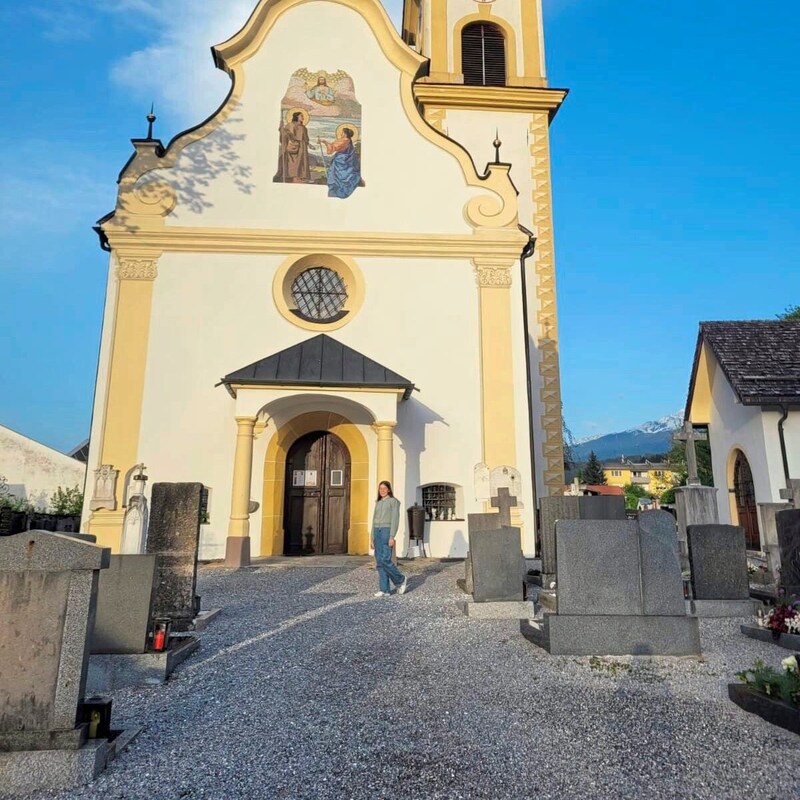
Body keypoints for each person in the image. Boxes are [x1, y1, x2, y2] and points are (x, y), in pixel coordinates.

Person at [371, 481, 408, 598]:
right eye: (380, 488)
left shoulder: (393, 502)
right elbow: (373, 520)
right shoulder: (378, 502)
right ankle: (384, 589)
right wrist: (372, 537)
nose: (382, 490)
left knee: (385, 559)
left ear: (389, 490)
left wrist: (392, 536)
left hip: (386, 532)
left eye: (384, 488)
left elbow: (395, 520)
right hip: (377, 531)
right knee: (379, 562)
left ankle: (400, 580)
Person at [318, 128, 361, 199]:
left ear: (345, 134)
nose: (341, 134)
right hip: (344, 159)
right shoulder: (347, 140)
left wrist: (324, 142)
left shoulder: (345, 140)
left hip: (342, 160)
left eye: (342, 132)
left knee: (337, 175)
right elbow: (334, 145)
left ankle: (338, 191)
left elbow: (333, 147)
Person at [274, 112, 310, 183]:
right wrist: (282, 129)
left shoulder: (304, 127)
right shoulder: (290, 125)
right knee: (294, 162)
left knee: (302, 162)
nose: (303, 117)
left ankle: (300, 176)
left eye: (303, 116)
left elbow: (305, 139)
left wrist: (309, 145)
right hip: (294, 146)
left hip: (303, 148)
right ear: (296, 117)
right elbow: (286, 135)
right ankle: (294, 177)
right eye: (301, 116)